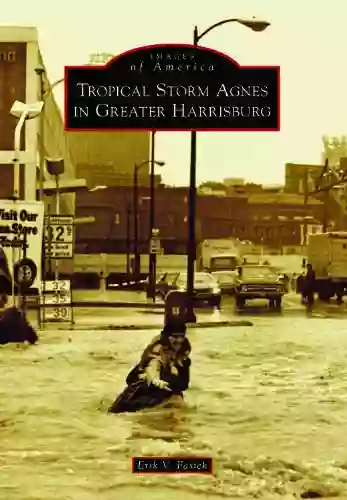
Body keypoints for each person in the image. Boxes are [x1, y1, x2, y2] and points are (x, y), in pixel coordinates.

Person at [108, 317, 191, 413]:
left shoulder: (183, 359)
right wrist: (154, 379)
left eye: (181, 336)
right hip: (138, 399)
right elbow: (137, 376)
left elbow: (184, 384)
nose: (179, 340)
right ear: (166, 337)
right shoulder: (155, 354)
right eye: (175, 337)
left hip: (160, 396)